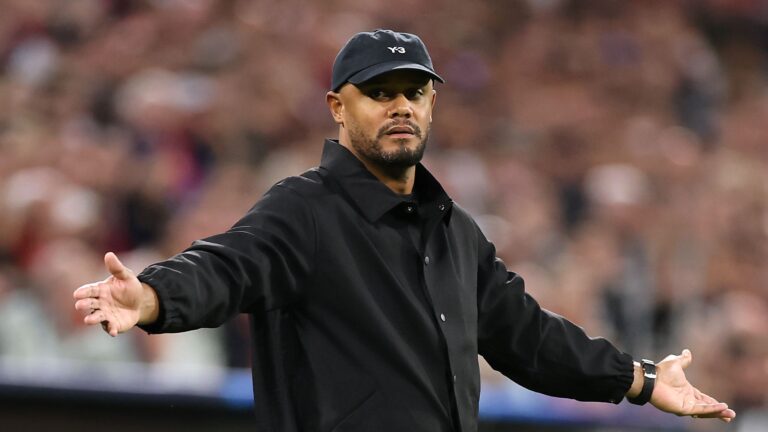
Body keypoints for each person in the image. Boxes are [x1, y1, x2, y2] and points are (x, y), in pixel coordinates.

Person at [73, 30, 736, 431]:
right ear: (337, 107)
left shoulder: (457, 233)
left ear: (432, 104)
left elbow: (528, 338)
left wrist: (640, 379)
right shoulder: (304, 210)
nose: (400, 106)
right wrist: (152, 297)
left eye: (413, 92)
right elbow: (226, 267)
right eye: (379, 91)